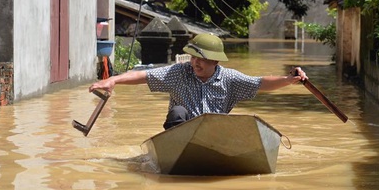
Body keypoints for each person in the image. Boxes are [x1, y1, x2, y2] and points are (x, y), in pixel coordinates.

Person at [89, 33, 308, 129]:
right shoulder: (180, 72)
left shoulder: (229, 78)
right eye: (194, 57)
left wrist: (289, 80)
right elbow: (145, 76)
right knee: (178, 113)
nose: (195, 63)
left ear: (215, 62)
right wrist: (114, 80)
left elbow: (260, 83)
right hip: (180, 136)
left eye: (202, 59)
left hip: (213, 135)